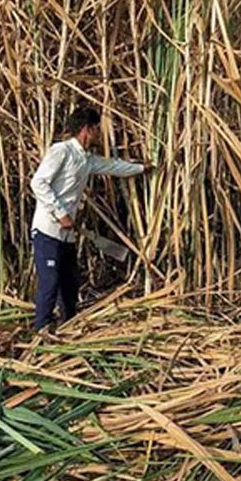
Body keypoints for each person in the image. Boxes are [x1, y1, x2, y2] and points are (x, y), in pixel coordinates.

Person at [30, 107, 151, 334]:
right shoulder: (61, 151)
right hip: (48, 231)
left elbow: (113, 167)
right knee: (50, 280)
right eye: (97, 129)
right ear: (87, 129)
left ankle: (68, 324)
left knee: (70, 281)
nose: (99, 134)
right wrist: (60, 213)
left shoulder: (86, 159)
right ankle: (41, 328)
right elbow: (38, 183)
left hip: (66, 234)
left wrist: (142, 168)